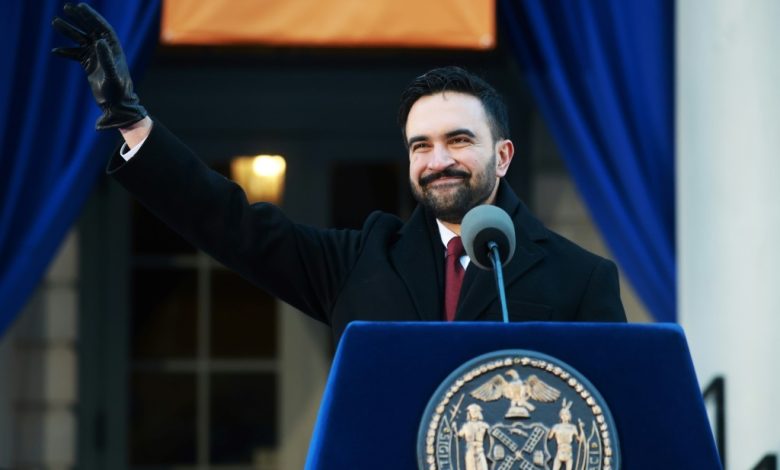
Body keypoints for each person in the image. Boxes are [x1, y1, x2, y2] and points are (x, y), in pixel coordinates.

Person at [52, 3, 626, 343]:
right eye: (420, 145)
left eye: (458, 140)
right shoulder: (362, 259)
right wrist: (133, 126)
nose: (438, 160)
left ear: (501, 155)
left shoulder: (581, 279)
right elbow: (232, 226)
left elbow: (610, 414)